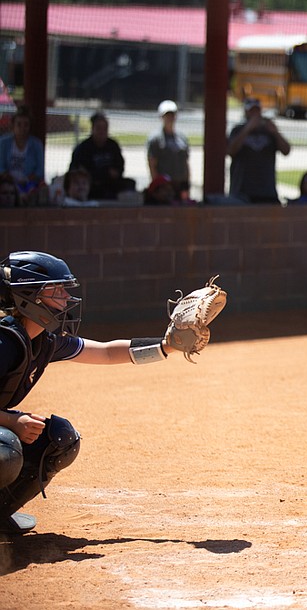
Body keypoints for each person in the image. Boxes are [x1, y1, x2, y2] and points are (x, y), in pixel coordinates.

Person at [0, 251, 199, 534]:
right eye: (55, 289)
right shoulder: (5, 342)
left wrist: (168, 346)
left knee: (59, 439)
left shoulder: (43, 340)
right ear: (28, 296)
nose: (66, 298)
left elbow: (106, 353)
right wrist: (11, 421)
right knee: (5, 447)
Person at [227, 97, 291, 204]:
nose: (255, 114)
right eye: (251, 111)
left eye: (257, 110)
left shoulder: (269, 130)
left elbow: (286, 150)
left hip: (267, 191)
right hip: (241, 190)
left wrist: (275, 132)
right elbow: (231, 151)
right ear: (246, 112)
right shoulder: (237, 130)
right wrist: (247, 129)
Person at [68, 112, 129, 200]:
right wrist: (104, 173)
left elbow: (119, 167)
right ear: (92, 129)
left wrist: (113, 173)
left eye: (105, 129)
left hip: (111, 185)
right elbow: (80, 171)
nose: (102, 132)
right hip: (90, 186)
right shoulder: (83, 148)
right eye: (99, 128)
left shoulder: (113, 146)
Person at [147, 100, 191, 201]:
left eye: (172, 115)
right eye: (167, 115)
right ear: (161, 117)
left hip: (180, 184)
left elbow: (186, 163)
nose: (170, 118)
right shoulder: (156, 139)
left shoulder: (182, 138)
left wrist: (187, 185)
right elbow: (152, 164)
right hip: (164, 187)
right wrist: (157, 187)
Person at [0, 106, 45, 200]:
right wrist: (11, 180)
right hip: (7, 183)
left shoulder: (36, 145)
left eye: (26, 125)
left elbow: (39, 171)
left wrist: (27, 180)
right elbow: (1, 167)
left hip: (29, 183)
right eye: (19, 124)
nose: (22, 128)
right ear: (13, 125)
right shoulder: (3, 143)